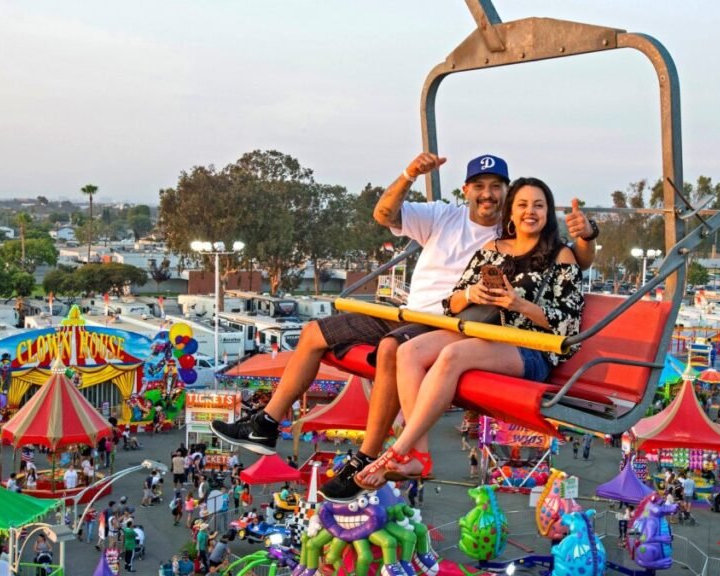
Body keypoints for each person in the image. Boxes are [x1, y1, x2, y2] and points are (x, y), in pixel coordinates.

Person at [211, 153, 597, 502]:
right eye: (480, 187)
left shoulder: (522, 238)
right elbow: (386, 217)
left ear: (507, 198)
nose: (488, 195)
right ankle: (266, 423)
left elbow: (575, 263)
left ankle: (372, 454)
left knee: (396, 350)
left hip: (453, 329)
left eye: (497, 188)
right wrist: (410, 173)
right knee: (314, 333)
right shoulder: (471, 234)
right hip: (411, 313)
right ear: (467, 191)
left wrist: (587, 234)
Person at [355, 177, 584, 487]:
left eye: (538, 205)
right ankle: (418, 457)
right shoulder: (492, 250)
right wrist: (472, 295)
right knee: (409, 350)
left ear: (547, 214)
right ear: (511, 213)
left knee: (452, 355)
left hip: (530, 349)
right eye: (523, 205)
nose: (530, 212)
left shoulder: (561, 257)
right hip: (485, 335)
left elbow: (570, 325)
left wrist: (520, 305)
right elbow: (452, 303)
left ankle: (398, 449)